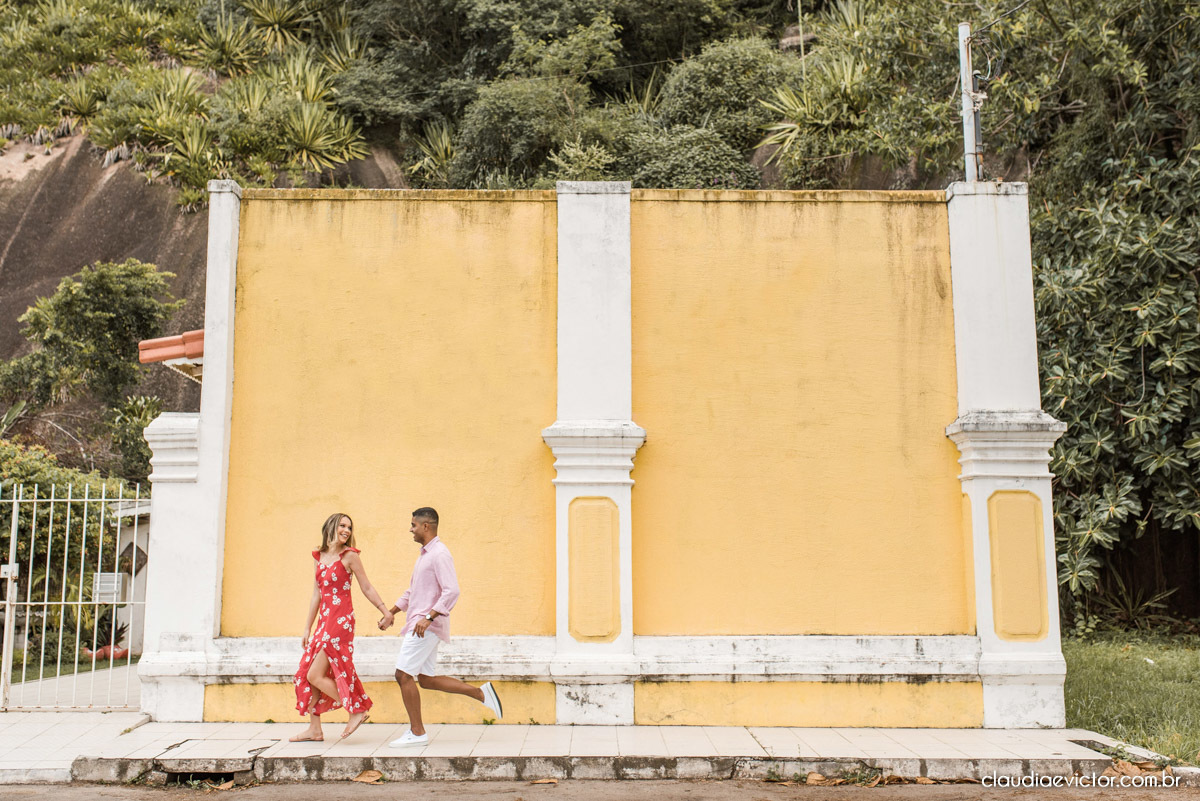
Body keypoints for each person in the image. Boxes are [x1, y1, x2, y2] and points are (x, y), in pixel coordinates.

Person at [380, 507, 503, 747]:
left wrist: (429, 617)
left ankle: (417, 733)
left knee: (403, 674)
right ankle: (480, 693)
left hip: (424, 627)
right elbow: (413, 591)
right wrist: (391, 613)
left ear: (426, 526)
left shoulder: (440, 554)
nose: (411, 529)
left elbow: (452, 590)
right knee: (425, 679)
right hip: (421, 624)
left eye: (414, 525)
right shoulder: (425, 555)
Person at [291, 513, 394, 742]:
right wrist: (307, 627)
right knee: (306, 673)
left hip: (340, 622)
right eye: (343, 526)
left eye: (349, 527)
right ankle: (315, 729)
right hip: (323, 623)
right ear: (331, 527)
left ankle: (356, 709)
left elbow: (366, 586)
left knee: (314, 674)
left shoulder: (349, 556)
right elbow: (316, 594)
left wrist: (385, 610)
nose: (347, 530)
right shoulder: (319, 556)